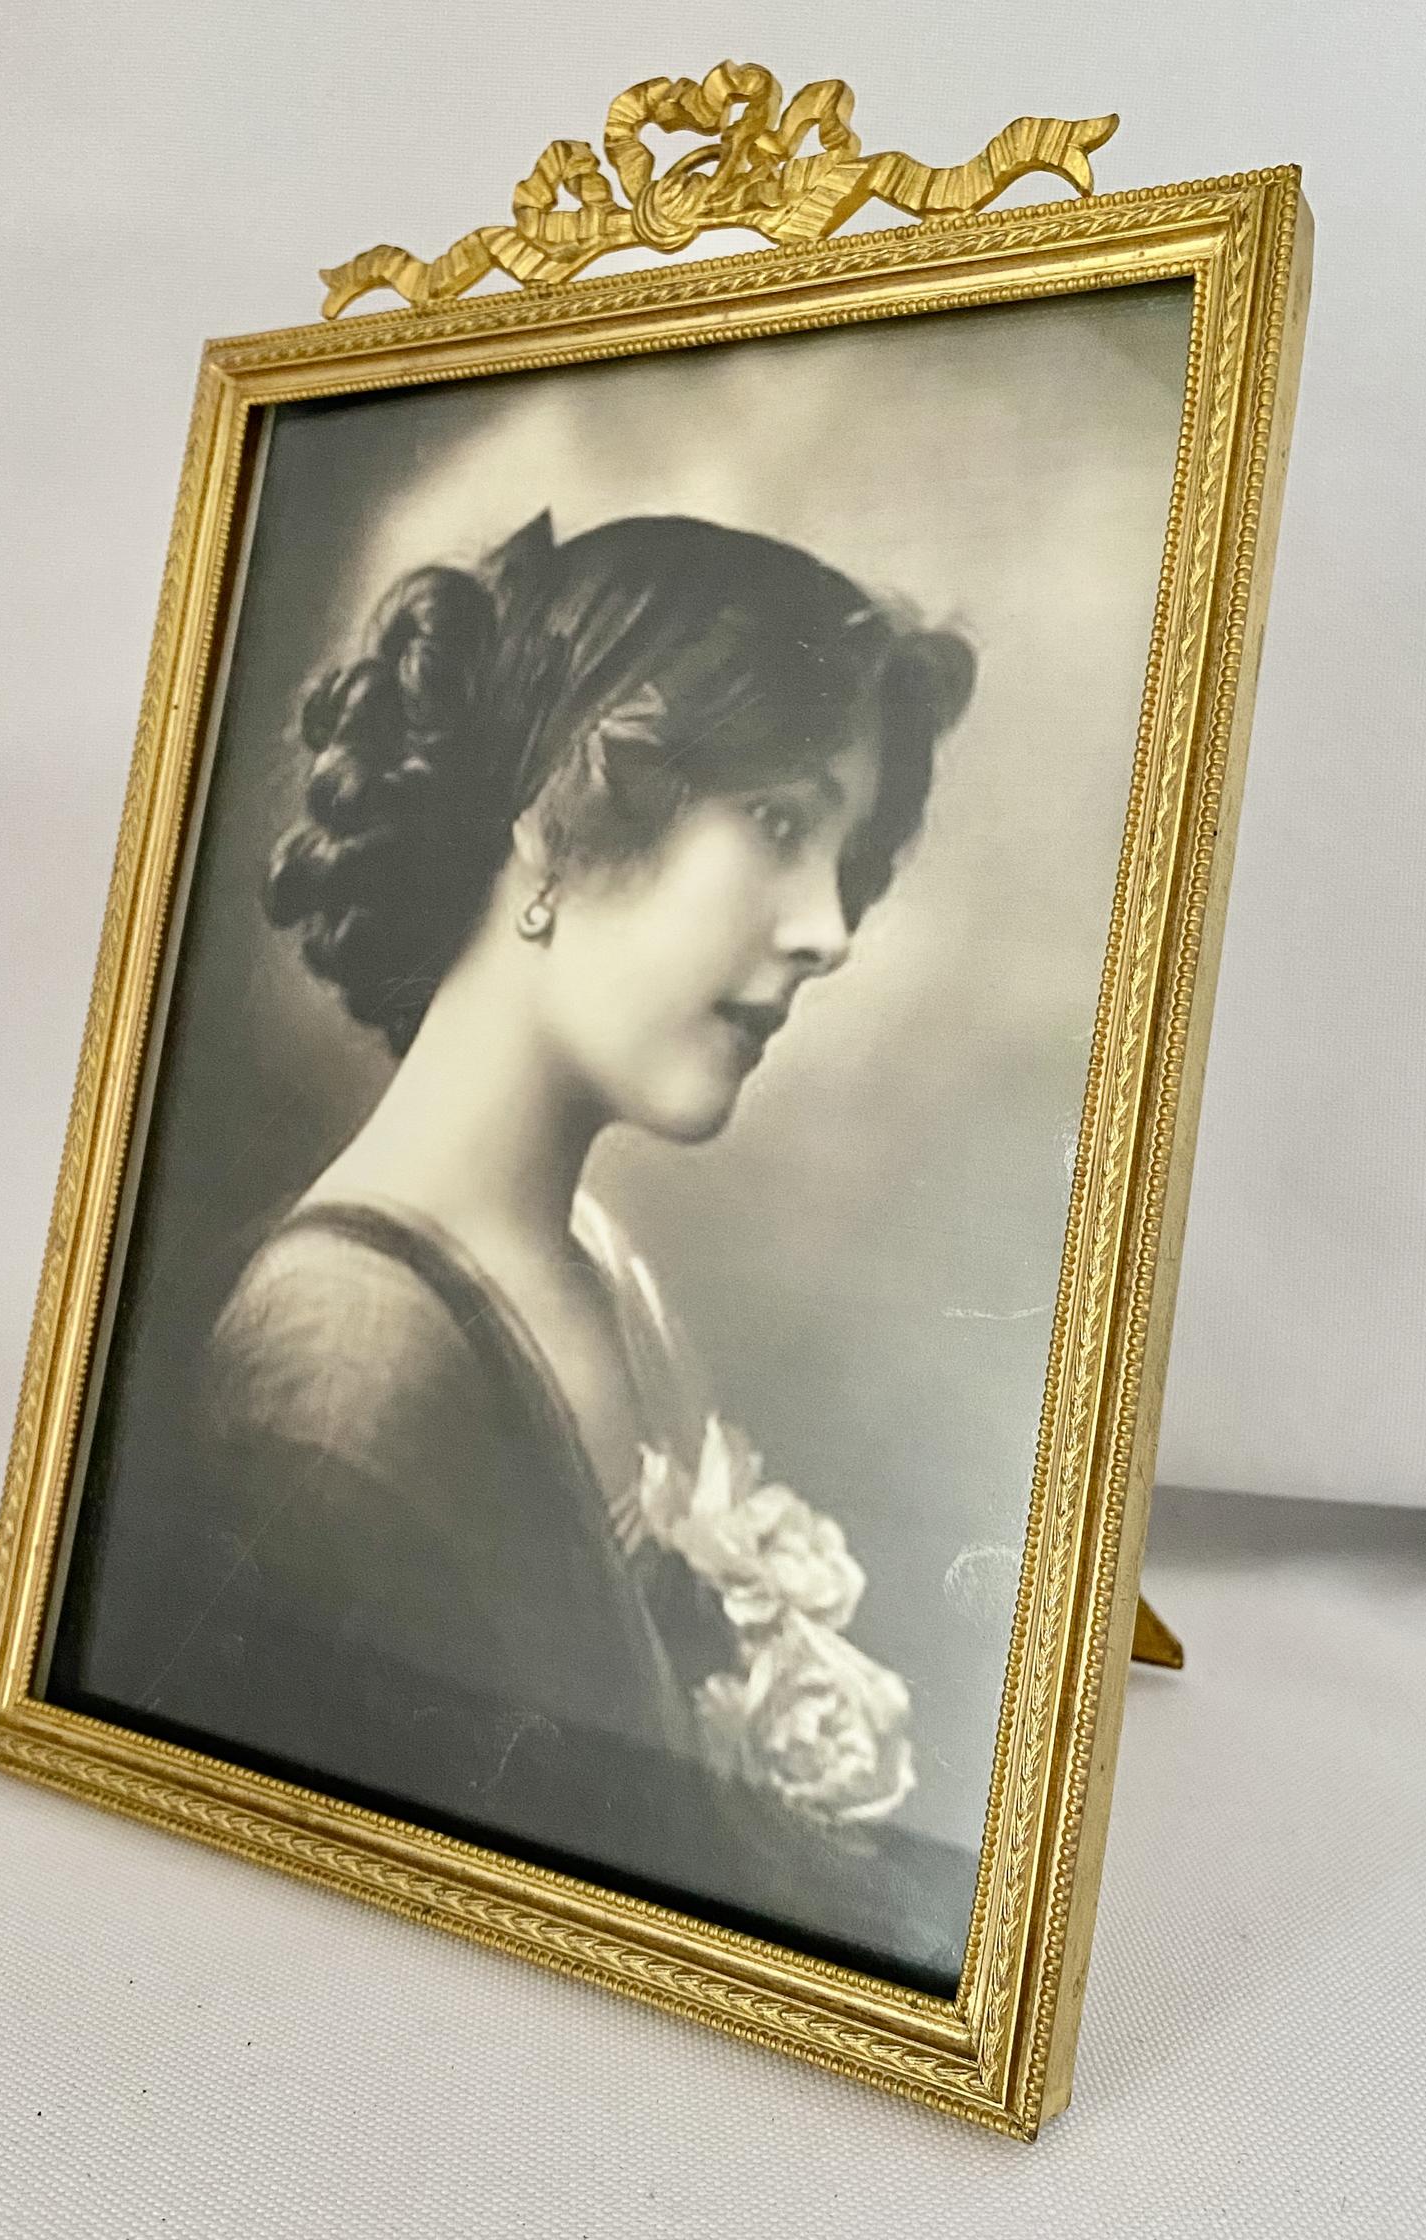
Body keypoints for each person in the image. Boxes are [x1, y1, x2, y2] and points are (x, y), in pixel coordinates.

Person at [68, 509, 978, 1985]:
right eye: (777, 824)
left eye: (845, 856)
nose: (830, 929)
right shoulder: (345, 1374)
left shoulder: (604, 1269)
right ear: (555, 821)